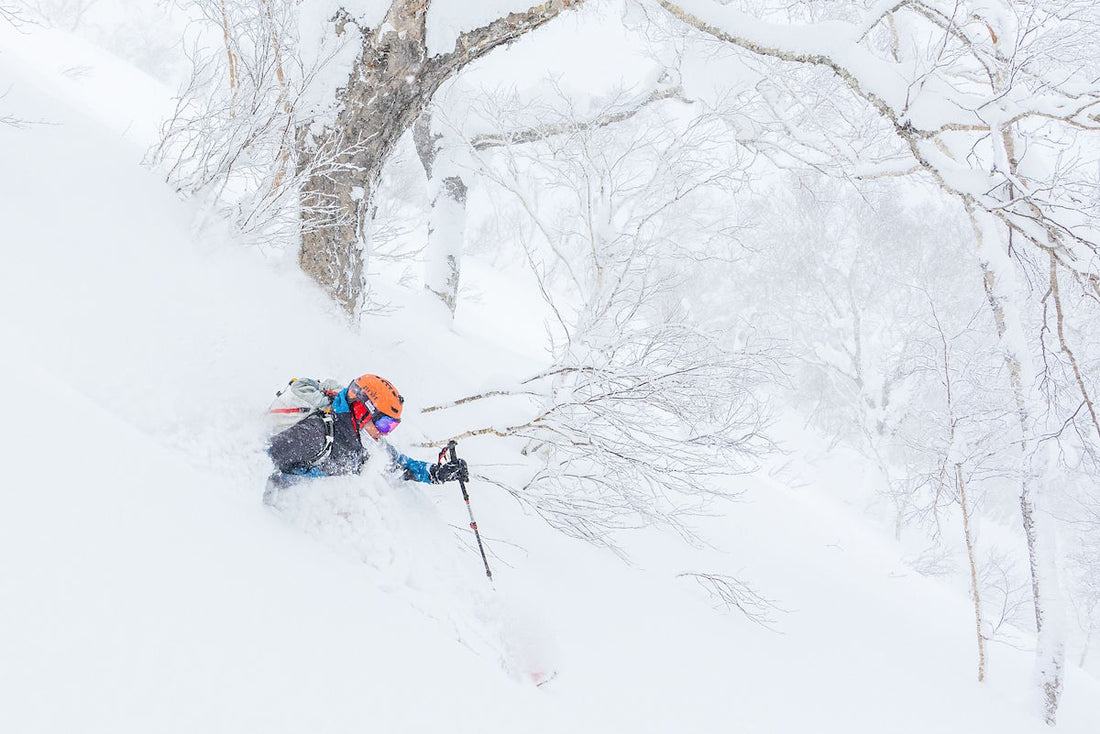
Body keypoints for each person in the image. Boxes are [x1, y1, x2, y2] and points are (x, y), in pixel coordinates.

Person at [264, 373, 468, 502]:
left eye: (392, 426)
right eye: (384, 423)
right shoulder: (315, 434)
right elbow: (260, 459)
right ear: (362, 410)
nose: (385, 432)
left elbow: (400, 466)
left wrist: (438, 473)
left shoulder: (365, 441)